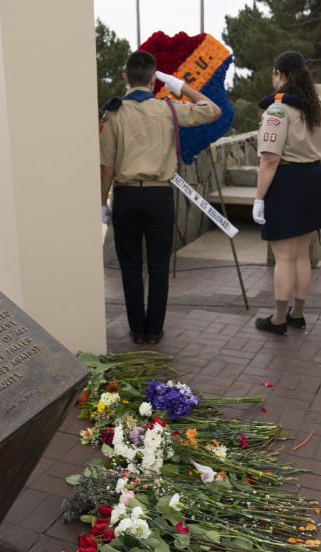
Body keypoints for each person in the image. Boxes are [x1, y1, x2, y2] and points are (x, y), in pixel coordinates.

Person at [99, 50, 221, 344]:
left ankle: (137, 330)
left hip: (126, 197)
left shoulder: (114, 113)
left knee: (129, 266)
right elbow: (213, 110)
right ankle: (154, 330)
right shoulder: (169, 108)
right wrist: (177, 85)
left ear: (126, 78)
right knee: (158, 266)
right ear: (154, 79)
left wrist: (102, 202)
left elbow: (107, 165)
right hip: (160, 197)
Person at [252, 51, 321, 335]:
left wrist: (259, 199)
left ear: (279, 74)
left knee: (284, 258)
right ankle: (297, 313)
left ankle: (278, 319)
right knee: (300, 255)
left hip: (287, 182)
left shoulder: (277, 110)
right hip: (313, 178)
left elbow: (269, 159)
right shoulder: (317, 104)